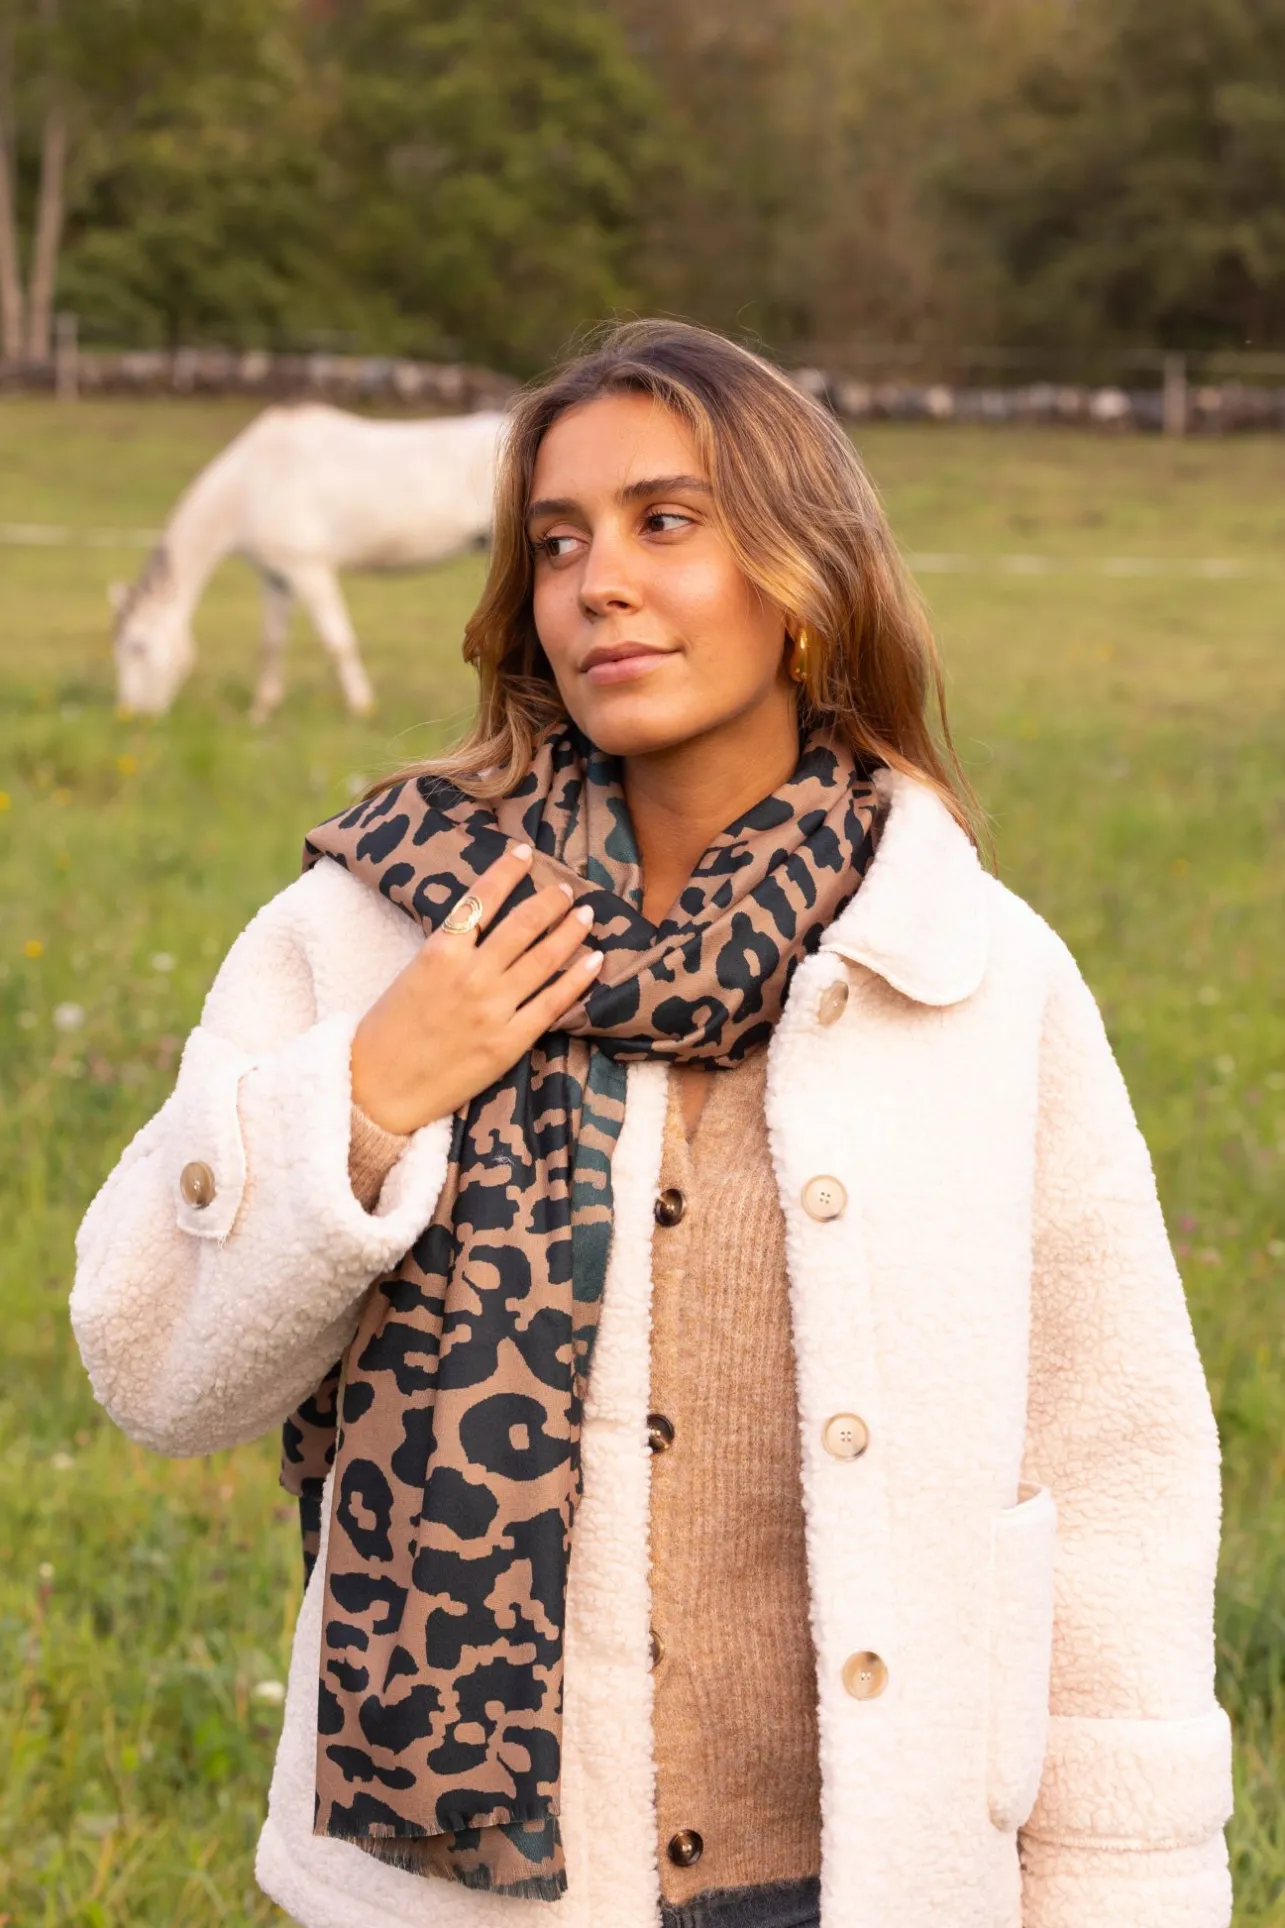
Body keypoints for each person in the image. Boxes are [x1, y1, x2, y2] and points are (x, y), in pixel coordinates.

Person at [70, 320, 1233, 1928]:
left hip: (872, 1878)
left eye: (663, 523)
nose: (598, 582)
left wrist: (1125, 1890)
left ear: (802, 580)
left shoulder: (971, 968)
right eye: (559, 542)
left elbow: (1112, 1474)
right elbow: (148, 1362)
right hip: (476, 1897)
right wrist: (373, 1094)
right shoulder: (381, 928)